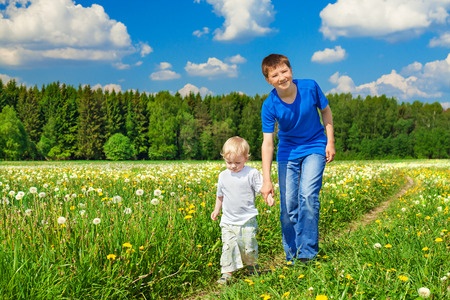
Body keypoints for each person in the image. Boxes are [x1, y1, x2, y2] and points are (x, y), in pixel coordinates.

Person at [260, 54, 335, 264]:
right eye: (275, 75)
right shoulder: (269, 105)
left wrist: (330, 142)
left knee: (308, 196)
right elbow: (267, 143)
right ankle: (292, 256)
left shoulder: (310, 87)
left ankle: (307, 255)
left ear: (291, 70)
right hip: (288, 153)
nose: (282, 77)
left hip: (315, 146)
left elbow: (326, 113)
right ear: (268, 80)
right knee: (288, 206)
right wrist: (267, 180)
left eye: (284, 71)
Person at [211, 136, 274, 285]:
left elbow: (261, 188)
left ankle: (252, 267)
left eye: (237, 162)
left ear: (246, 158)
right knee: (228, 246)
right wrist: (216, 210)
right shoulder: (223, 176)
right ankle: (227, 273)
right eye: (229, 162)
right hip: (227, 220)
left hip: (247, 219)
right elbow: (220, 195)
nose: (233, 166)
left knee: (249, 246)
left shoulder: (251, 173)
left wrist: (268, 197)